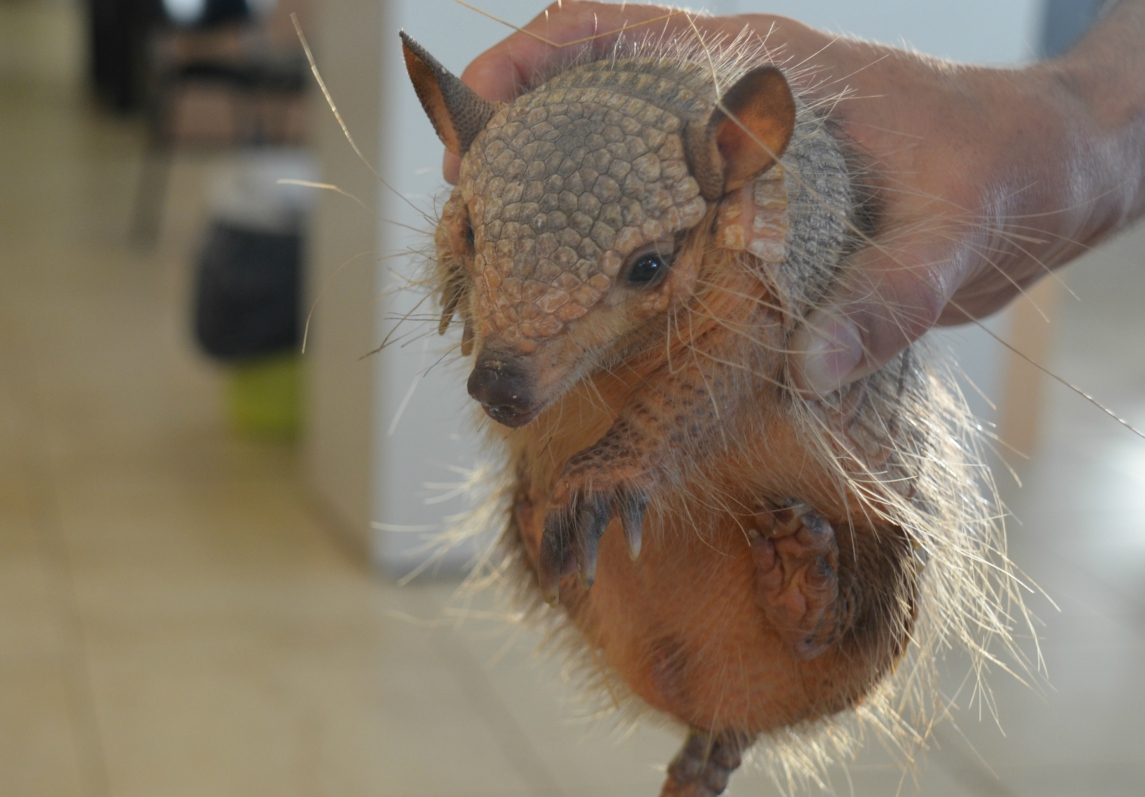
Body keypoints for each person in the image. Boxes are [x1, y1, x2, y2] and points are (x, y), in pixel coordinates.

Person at [441, 0, 1145, 394]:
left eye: (647, 266)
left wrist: (1097, 117)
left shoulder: (753, 209)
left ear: (736, 156)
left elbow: (709, 391)